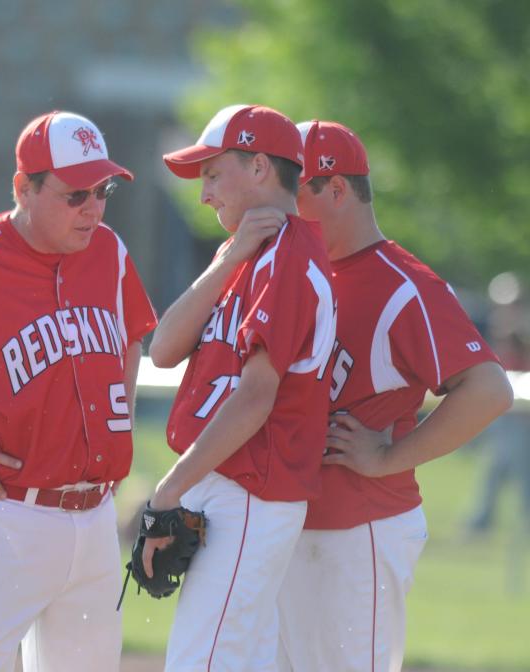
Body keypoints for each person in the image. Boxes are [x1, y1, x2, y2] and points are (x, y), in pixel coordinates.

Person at [0, 110, 157, 671]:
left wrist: (114, 428)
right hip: (2, 515)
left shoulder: (111, 252)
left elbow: (128, 340)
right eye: (76, 194)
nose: (93, 209)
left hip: (96, 517)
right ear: (23, 188)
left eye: (102, 191)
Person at [276, 119, 513, 671]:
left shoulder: (401, 284)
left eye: (295, 191)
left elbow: (489, 389)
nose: (285, 208)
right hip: (292, 524)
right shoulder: (300, 271)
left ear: (336, 190)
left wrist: (389, 457)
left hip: (357, 530)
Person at [145, 104, 336, 670]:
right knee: (237, 658)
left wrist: (167, 490)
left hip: (252, 487)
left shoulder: (290, 258)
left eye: (211, 173)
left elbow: (257, 397)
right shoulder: (249, 258)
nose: (204, 193)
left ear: (258, 167)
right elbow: (163, 349)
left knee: (201, 660)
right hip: (230, 482)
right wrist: (226, 261)